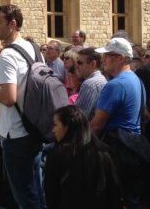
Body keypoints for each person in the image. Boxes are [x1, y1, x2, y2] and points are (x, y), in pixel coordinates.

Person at [0, 4, 45, 208]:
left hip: (15, 134)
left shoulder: (7, 55)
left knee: (24, 197)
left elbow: (9, 97)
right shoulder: (35, 49)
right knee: (37, 192)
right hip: (35, 128)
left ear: (12, 24)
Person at [92, 38, 145, 208]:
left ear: (121, 58)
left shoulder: (115, 85)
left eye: (108, 55)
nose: (103, 59)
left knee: (115, 198)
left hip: (118, 149)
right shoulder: (136, 80)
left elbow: (97, 125)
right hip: (134, 147)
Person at [44, 105, 121, 209]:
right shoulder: (104, 151)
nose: (53, 130)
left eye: (55, 125)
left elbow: (51, 194)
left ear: (67, 126)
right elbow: (114, 191)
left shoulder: (58, 154)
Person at [75, 48, 107, 121]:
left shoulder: (89, 84)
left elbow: (79, 116)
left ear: (93, 64)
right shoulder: (102, 79)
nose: (76, 66)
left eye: (80, 62)